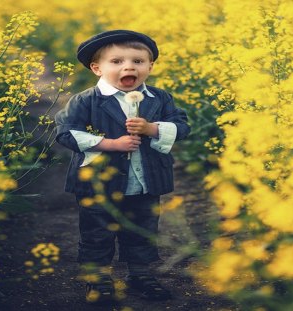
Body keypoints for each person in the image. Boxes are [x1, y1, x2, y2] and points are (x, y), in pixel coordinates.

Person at [55, 29, 191, 304]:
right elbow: (65, 132)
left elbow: (182, 126)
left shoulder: (159, 98)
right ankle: (99, 279)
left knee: (143, 230)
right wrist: (111, 144)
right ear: (97, 68)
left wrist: (153, 128)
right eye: (116, 62)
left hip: (145, 183)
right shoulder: (86, 100)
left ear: (150, 67)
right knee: (97, 232)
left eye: (138, 61)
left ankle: (140, 275)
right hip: (97, 183)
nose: (128, 66)